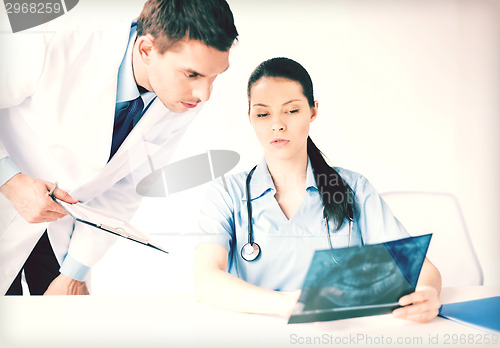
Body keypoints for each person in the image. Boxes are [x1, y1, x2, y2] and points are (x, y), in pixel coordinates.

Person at [0, 0, 238, 295]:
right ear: (147, 50)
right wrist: (8, 180)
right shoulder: (61, 33)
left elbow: (127, 186)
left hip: (60, 232)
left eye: (216, 76)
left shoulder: (183, 98)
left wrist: (74, 271)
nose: (205, 94)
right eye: (193, 75)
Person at [193, 57, 442, 323]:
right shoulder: (227, 194)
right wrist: (285, 305)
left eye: (291, 110)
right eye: (263, 113)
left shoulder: (354, 188)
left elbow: (422, 269)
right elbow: (206, 279)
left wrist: (427, 294)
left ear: (313, 111)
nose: (277, 124)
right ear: (250, 118)